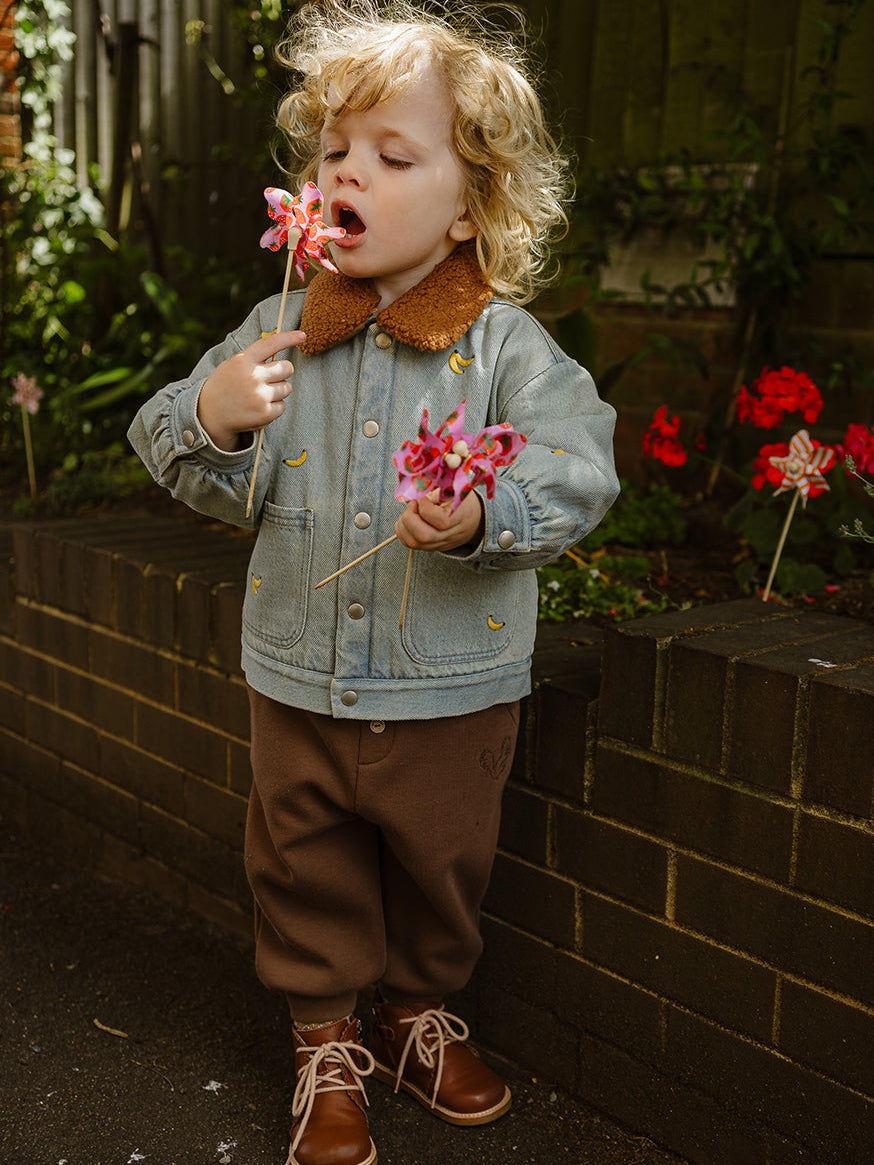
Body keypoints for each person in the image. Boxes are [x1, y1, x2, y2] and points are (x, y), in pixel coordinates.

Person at [128, 3, 619, 1163]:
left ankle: (414, 1011)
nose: (347, 171)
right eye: (334, 150)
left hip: (449, 689)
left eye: (393, 156)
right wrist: (213, 415)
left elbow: (577, 462)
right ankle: (324, 1035)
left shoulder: (502, 347)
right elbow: (176, 453)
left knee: (444, 865)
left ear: (469, 206)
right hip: (295, 676)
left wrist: (483, 513)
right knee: (300, 863)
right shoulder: (280, 327)